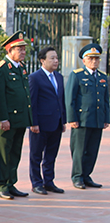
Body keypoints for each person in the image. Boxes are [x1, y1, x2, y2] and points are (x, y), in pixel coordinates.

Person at [0, 31, 32, 200]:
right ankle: (1, 185)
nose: (23, 52)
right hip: (7, 120)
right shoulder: (1, 68)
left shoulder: (21, 67)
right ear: (9, 50)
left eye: (24, 49)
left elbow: (25, 94)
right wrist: (3, 118)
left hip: (20, 119)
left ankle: (11, 183)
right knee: (3, 153)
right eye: (19, 49)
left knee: (15, 152)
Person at [66, 43, 109, 190]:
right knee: (79, 150)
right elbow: (70, 98)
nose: (94, 61)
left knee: (92, 149)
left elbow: (106, 100)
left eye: (96, 59)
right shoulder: (77, 75)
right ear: (84, 61)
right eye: (90, 59)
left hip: (97, 119)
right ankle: (77, 176)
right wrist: (72, 118)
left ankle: (86, 175)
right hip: (82, 119)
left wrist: (106, 118)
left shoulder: (103, 77)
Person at [28, 47, 67, 195]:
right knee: (36, 155)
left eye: (56, 58)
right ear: (42, 60)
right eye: (52, 58)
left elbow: (60, 100)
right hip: (40, 124)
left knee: (51, 154)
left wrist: (63, 120)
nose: (56, 61)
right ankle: (36, 183)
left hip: (56, 122)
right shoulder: (35, 78)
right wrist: (33, 122)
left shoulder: (59, 77)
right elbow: (32, 101)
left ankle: (49, 181)